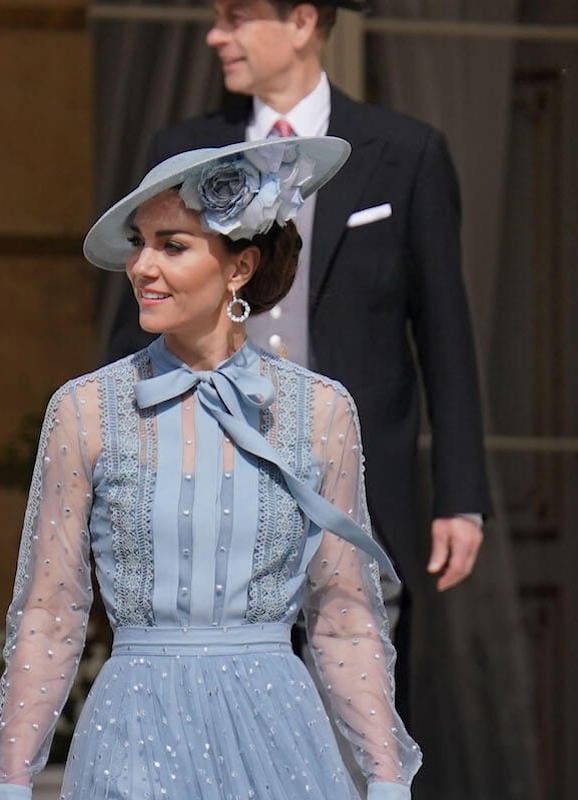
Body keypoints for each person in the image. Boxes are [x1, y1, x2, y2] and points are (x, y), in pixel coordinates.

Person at [0, 137, 422, 799]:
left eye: (173, 245)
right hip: (134, 732)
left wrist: (388, 781)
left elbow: (342, 615)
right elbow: (51, 612)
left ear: (239, 268)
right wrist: (10, 783)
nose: (141, 267)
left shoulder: (321, 411)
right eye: (139, 242)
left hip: (278, 738)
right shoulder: (86, 410)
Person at [104, 0, 492, 709]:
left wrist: (462, 495)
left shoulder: (405, 151)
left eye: (237, 17)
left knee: (355, 724)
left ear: (304, 22)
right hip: (209, 487)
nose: (216, 36)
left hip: (356, 493)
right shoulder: (182, 148)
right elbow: (138, 324)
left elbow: (445, 331)